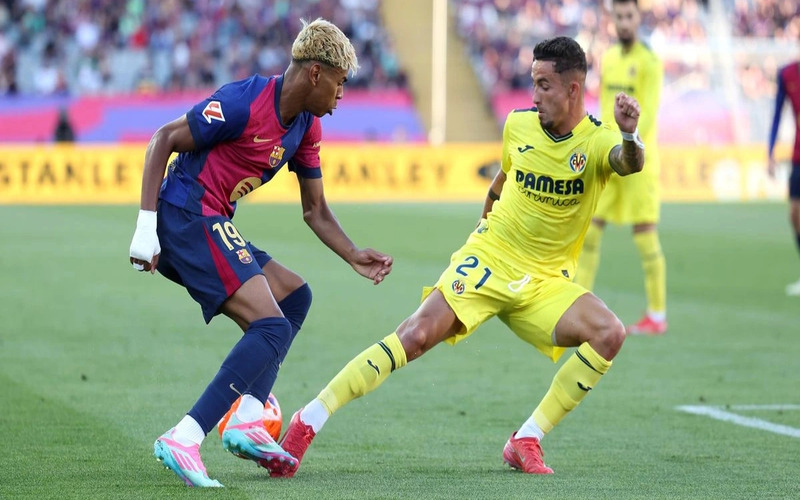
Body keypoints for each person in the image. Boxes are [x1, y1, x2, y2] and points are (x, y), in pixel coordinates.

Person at [265, 36, 645, 477]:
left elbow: (628, 162)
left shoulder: (597, 141)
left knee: (609, 333)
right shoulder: (518, 126)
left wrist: (629, 133)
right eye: (532, 83)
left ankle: (526, 439)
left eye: (544, 85)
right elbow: (501, 183)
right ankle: (309, 419)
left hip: (544, 283)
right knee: (416, 335)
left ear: (573, 89)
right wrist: (482, 238)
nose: (534, 95)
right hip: (489, 259)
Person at [128, 18, 393, 488]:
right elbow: (163, 139)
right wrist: (146, 228)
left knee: (294, 298)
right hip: (184, 215)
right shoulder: (244, 101)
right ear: (315, 72)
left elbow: (315, 210)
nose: (341, 94)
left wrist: (353, 254)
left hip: (211, 220)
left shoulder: (306, 126)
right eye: (339, 82)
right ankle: (185, 436)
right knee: (270, 326)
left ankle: (249, 418)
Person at [574, 0, 666, 334]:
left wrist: (629, 146)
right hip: (609, 159)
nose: (624, 22)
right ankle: (576, 304)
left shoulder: (650, 62)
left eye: (629, 16)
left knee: (645, 237)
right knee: (590, 231)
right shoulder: (610, 57)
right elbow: (603, 107)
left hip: (639, 162)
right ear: (612, 19)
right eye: (619, 17)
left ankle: (657, 315)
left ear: (638, 18)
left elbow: (649, 116)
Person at [767, 54, 800, 296]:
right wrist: (770, 152)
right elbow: (778, 114)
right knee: (795, 214)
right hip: (798, 156)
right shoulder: (787, 74)